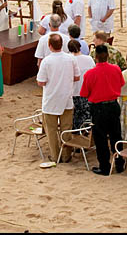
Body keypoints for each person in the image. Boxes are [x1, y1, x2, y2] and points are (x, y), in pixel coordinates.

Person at [79, 45, 126, 175]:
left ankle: (105, 166)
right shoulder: (116, 69)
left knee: (100, 138)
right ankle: (119, 162)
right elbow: (121, 83)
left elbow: (84, 93)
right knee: (116, 134)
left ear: (96, 57)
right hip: (113, 105)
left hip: (98, 108)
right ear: (108, 56)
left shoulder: (90, 74)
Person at [36, 33, 80, 162]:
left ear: (50, 46)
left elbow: (41, 81)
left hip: (51, 100)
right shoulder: (70, 59)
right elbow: (77, 77)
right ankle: (66, 155)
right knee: (66, 129)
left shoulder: (47, 61)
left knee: (51, 130)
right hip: (66, 98)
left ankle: (55, 156)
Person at [69, 39, 95, 129]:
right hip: (87, 91)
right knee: (87, 113)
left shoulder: (69, 60)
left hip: (75, 91)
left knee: (77, 114)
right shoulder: (89, 59)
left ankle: (77, 131)